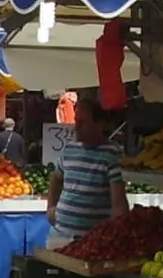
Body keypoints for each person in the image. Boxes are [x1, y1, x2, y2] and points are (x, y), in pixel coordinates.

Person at [45, 99, 128, 246]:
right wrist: (51, 206)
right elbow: (56, 178)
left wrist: (118, 235)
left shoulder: (112, 154)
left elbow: (118, 202)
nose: (76, 127)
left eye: (83, 122)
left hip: (91, 242)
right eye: (77, 120)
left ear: (100, 125)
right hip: (59, 235)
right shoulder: (70, 149)